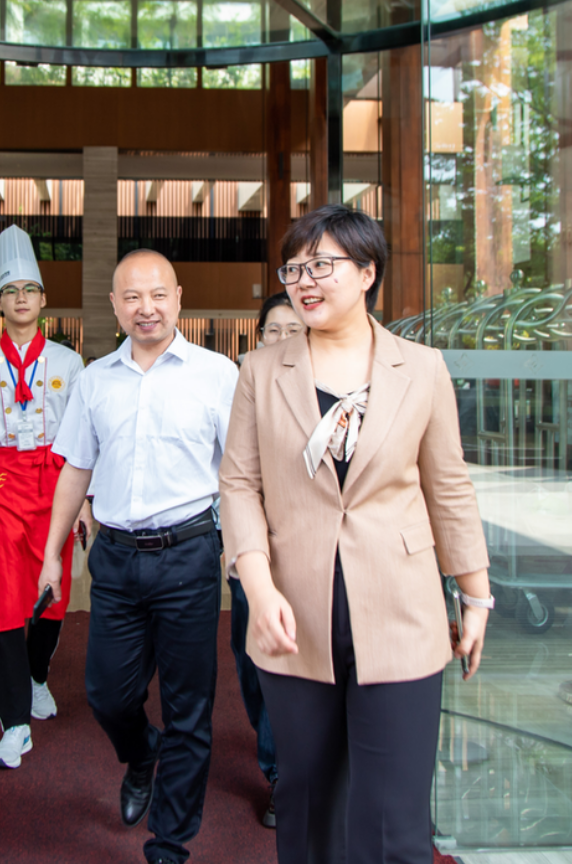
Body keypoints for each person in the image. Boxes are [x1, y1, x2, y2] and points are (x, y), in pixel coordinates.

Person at [219, 204, 492, 864]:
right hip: (294, 613)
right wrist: (257, 587)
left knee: (394, 814)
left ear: (368, 272)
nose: (305, 281)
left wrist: (476, 595)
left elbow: (446, 486)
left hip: (402, 610)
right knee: (308, 797)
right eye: (295, 268)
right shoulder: (261, 371)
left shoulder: (421, 369)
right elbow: (239, 485)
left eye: (324, 265)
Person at [39, 249, 238, 864]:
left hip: (189, 555)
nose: (145, 308)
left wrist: (246, 549)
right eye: (132, 297)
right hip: (117, 560)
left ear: (178, 297)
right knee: (106, 694)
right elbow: (75, 468)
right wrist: (52, 555)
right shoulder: (94, 379)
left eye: (157, 295)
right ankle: (139, 753)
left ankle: (170, 842)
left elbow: (238, 475)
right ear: (115, 306)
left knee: (189, 706)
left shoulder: (217, 374)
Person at [0, 225, 89, 769]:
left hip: (56, 480)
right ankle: (15, 724)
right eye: (11, 291)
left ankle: (36, 675)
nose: (21, 297)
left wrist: (87, 502)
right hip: (0, 482)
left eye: (30, 288)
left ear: (43, 300)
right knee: (4, 602)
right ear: (1, 303)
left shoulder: (69, 363)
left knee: (51, 595)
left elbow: (85, 439)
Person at [228, 290, 307, 828]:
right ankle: (275, 746)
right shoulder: (244, 387)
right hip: (252, 553)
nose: (281, 339)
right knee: (252, 665)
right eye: (272, 331)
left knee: (292, 665)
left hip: (305, 555)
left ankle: (284, 775)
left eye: (292, 330)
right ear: (259, 339)